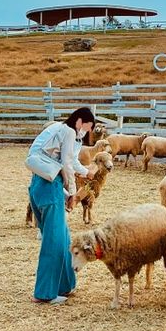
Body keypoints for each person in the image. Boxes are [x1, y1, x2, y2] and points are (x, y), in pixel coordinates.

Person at [26, 106, 97, 305]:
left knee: (63, 238)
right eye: (88, 127)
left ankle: (65, 284)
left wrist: (75, 182)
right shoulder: (69, 131)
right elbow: (67, 162)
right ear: (81, 121)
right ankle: (44, 293)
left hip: (39, 186)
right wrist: (73, 192)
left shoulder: (57, 129)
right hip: (49, 189)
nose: (87, 132)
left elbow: (64, 161)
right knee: (54, 242)